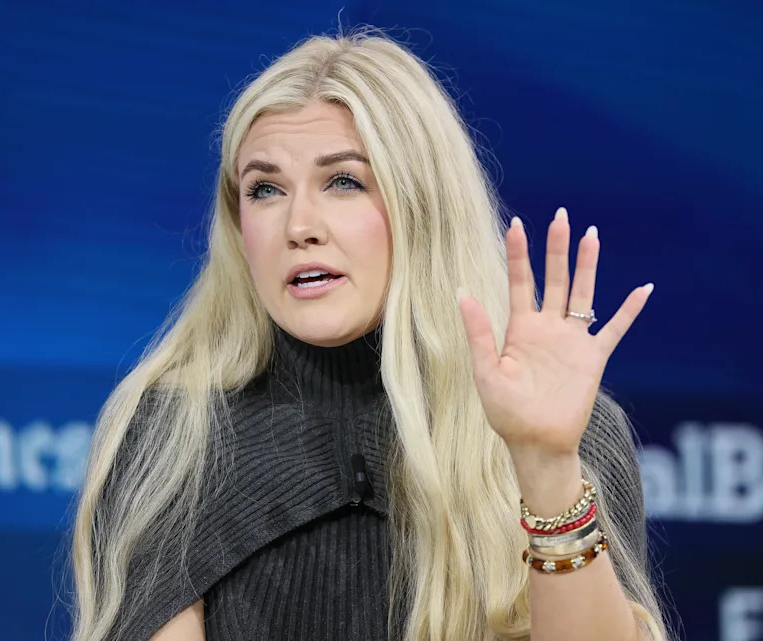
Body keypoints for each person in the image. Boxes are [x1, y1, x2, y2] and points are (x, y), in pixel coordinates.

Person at [68, 26, 674, 641]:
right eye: (266, 189)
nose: (299, 225)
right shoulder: (176, 437)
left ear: (423, 206)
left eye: (344, 182)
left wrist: (545, 465)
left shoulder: (563, 428)